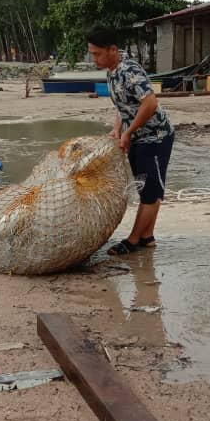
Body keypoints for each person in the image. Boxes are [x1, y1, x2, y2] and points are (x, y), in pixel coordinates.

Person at [86, 26, 174, 255]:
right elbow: (124, 106)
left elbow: (150, 103)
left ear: (112, 50)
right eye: (91, 53)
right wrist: (117, 130)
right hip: (138, 137)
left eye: (97, 54)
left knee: (150, 192)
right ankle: (147, 237)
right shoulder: (111, 71)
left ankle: (133, 241)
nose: (93, 58)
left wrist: (128, 132)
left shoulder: (129, 70)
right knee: (146, 187)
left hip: (156, 137)